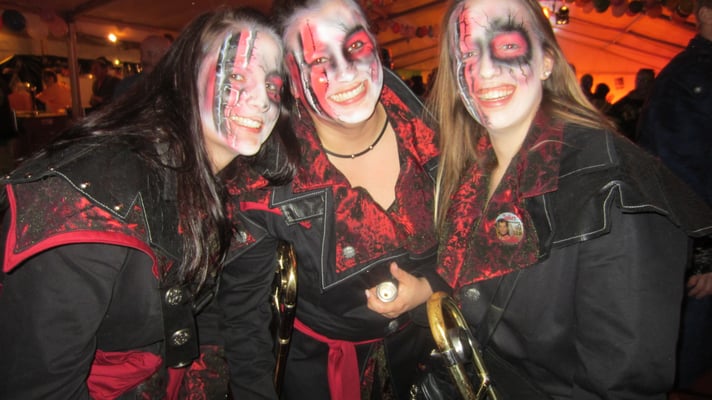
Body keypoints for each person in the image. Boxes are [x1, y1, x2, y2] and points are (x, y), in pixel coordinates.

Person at [0, 7, 292, 399]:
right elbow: (40, 386)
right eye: (237, 76)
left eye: (272, 86)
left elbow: (219, 321)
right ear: (183, 75)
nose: (261, 101)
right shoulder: (89, 201)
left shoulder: (226, 182)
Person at [428, 0, 712, 397]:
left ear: (547, 61)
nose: (486, 69)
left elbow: (621, 387)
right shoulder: (468, 168)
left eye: (507, 46)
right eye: (469, 54)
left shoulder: (614, 194)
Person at [217, 0, 449, 398]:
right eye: (319, 60)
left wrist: (432, 285)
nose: (346, 72)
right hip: (320, 376)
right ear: (290, 78)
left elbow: (485, 246)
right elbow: (242, 320)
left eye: (355, 47)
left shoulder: (444, 136)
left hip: (432, 364)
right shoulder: (260, 179)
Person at [638, 0, 712, 391]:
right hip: (692, 248)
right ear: (704, 14)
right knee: (683, 367)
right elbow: (675, 173)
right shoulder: (690, 78)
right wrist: (703, 252)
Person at [113, 34, 173, 99]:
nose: (143, 59)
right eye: (141, 54)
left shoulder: (176, 86)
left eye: (150, 54)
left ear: (166, 57)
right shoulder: (127, 85)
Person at [608, 68, 655, 142]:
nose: (644, 83)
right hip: (628, 142)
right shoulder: (624, 103)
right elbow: (610, 118)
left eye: (648, 81)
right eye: (641, 80)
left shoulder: (655, 102)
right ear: (636, 81)